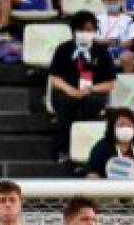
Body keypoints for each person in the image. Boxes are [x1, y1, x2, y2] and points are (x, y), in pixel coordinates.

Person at [48, 11, 117, 163]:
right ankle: (63, 149)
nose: (85, 33)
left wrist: (90, 89)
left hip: (93, 93)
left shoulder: (102, 53)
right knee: (66, 104)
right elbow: (54, 78)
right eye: (81, 30)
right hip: (66, 92)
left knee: (91, 103)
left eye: (89, 30)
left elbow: (110, 83)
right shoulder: (63, 49)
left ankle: (89, 150)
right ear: (73, 31)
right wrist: (71, 90)